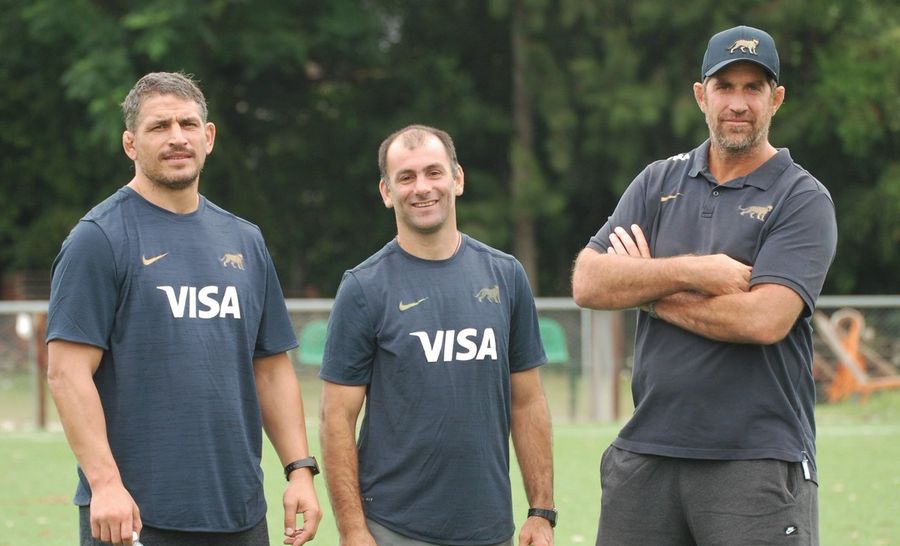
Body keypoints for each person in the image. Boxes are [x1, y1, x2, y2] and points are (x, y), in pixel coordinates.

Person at [572, 26, 837, 545]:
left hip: (755, 461)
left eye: (753, 88)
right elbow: (589, 280)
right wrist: (696, 271)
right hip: (646, 456)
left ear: (775, 99)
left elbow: (763, 319)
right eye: (725, 86)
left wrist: (646, 292)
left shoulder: (802, 198)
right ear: (701, 95)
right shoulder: (657, 182)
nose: (737, 103)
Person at [46, 72, 321, 546]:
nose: (177, 137)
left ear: (208, 136)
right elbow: (66, 373)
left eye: (188, 124)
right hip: (133, 518)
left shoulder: (245, 241)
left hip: (239, 514)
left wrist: (299, 470)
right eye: (159, 127)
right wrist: (105, 485)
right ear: (130, 144)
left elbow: (272, 369)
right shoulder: (99, 238)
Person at [319, 125, 556, 546]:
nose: (422, 188)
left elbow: (529, 401)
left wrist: (541, 510)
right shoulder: (363, 287)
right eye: (406, 177)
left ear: (457, 179)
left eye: (434, 172)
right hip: (393, 529)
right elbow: (336, 419)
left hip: (490, 530)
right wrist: (353, 530)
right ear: (386, 191)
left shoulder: (505, 275)